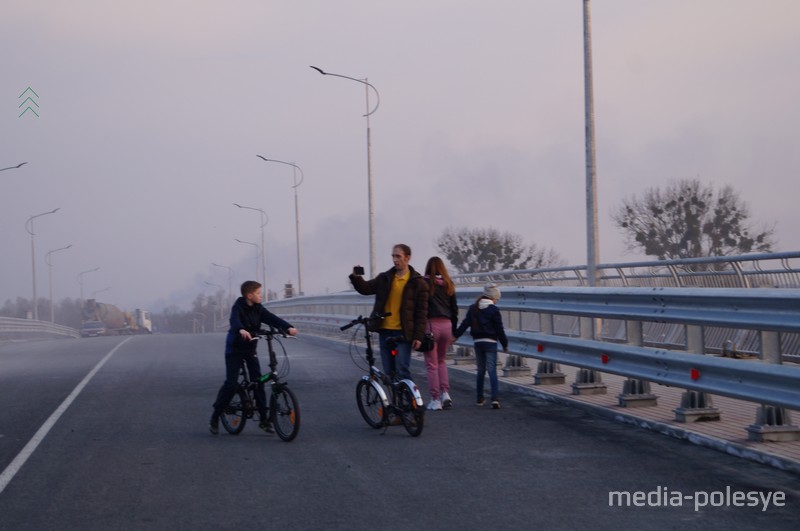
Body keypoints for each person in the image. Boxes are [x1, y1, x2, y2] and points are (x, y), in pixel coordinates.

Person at [209, 280, 298, 435]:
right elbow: (234, 320)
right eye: (258, 293)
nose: (260, 295)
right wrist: (241, 330)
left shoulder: (258, 308)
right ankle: (215, 416)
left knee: (258, 382)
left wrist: (288, 327)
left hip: (250, 348)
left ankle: (264, 420)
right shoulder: (238, 307)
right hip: (235, 349)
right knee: (231, 384)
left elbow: (271, 318)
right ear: (249, 295)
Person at [349, 244, 429, 383]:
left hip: (403, 334)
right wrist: (356, 277)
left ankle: (410, 403)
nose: (395, 259)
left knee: (402, 371)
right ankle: (394, 403)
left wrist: (418, 336)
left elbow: (422, 313)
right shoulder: (385, 278)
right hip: (385, 331)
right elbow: (366, 289)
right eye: (393, 256)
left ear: (408, 258)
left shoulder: (418, 283)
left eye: (398, 256)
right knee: (389, 373)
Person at [453, 283, 508, 409]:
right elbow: (499, 329)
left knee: (481, 371)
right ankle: (494, 398)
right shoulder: (494, 310)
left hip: (478, 342)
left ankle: (479, 398)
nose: (496, 301)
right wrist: (505, 344)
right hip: (491, 343)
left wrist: (455, 335)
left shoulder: (473, 308)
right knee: (492, 370)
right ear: (493, 298)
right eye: (496, 299)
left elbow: (465, 324)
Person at [422, 256, 458, 410]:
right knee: (442, 361)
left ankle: (435, 399)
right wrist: (454, 332)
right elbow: (454, 309)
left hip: (431, 326)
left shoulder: (425, 283)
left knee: (431, 365)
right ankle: (445, 393)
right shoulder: (449, 284)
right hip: (447, 326)